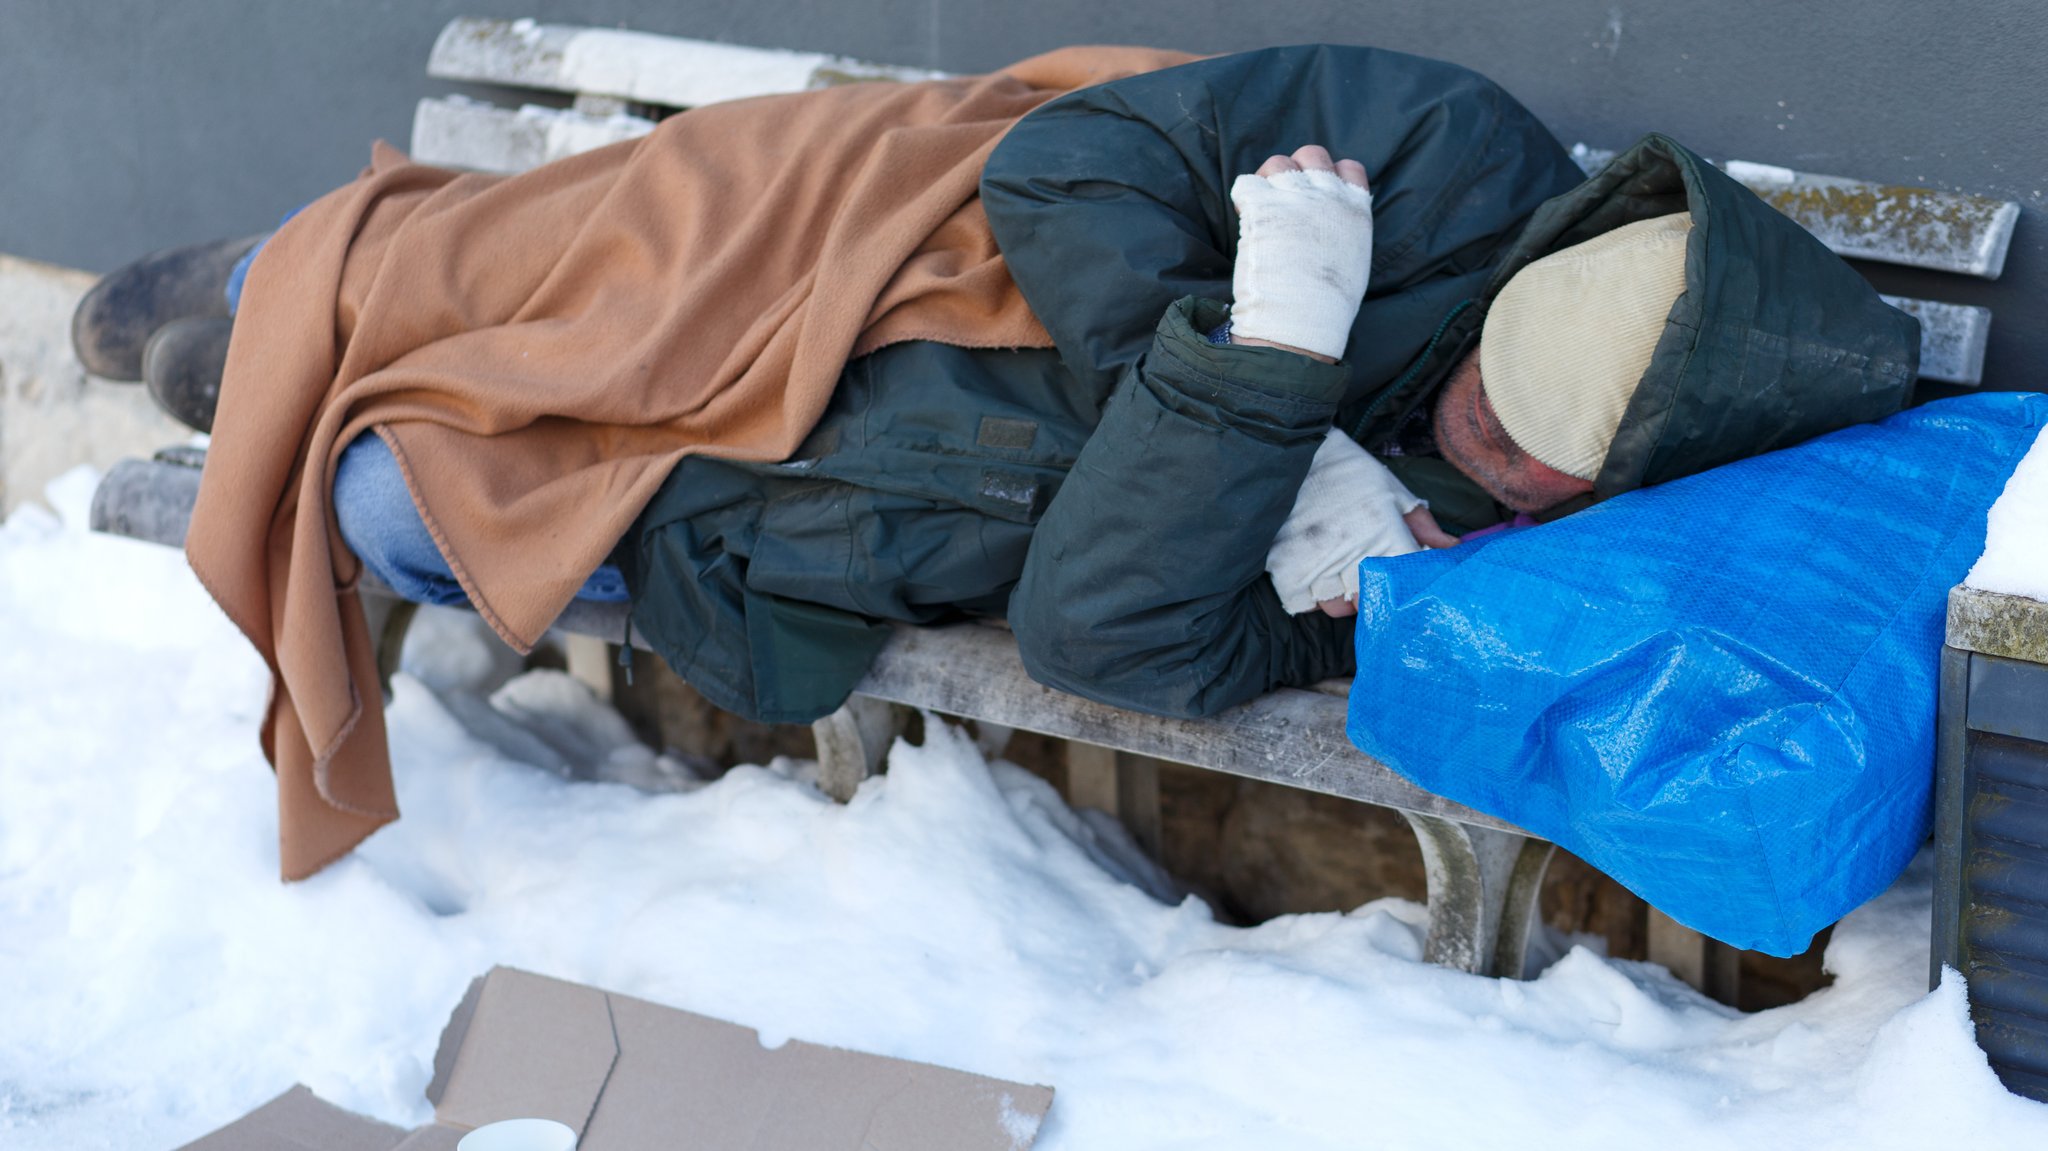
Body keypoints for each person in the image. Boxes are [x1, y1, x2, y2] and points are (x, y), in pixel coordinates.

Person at [74, 45, 1918, 878]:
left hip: (821, 502)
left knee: (392, 502)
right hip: (876, 251)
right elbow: (1065, 166)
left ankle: (293, 361)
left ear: (1595, 504)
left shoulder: (1475, 571)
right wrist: (1231, 332)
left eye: (1520, 458)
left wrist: (1269, 383)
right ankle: (290, 279)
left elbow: (1108, 629)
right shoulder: (1455, 154)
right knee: (469, 277)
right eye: (1486, 384)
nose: (1472, 439)